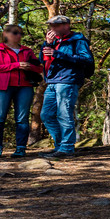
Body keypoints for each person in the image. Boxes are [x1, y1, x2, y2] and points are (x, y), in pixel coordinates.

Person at [38, 15, 94, 158]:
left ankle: (67, 148)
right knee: (46, 115)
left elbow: (86, 59)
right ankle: (60, 146)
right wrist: (47, 44)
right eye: (51, 25)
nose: (52, 28)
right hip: (51, 81)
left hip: (68, 80)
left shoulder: (78, 40)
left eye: (56, 25)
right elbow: (41, 59)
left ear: (66, 25)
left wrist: (58, 54)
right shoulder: (53, 41)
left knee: (64, 113)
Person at [0, 24, 42, 158]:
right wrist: (15, 65)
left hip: (25, 86)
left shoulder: (27, 51)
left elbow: (39, 68)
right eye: (15, 33)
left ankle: (21, 148)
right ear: (5, 34)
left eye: (21, 33)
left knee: (22, 118)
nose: (19, 36)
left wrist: (30, 67)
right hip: (0, 87)